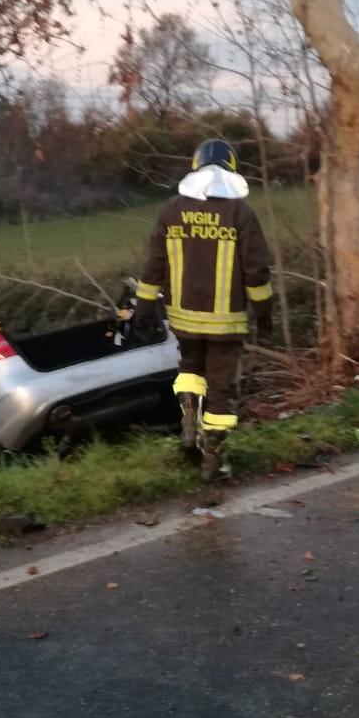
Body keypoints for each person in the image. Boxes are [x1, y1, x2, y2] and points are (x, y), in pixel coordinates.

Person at [132, 139, 274, 482]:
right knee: (221, 387)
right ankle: (214, 459)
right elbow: (256, 271)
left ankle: (188, 419)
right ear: (231, 169)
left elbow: (153, 266)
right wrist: (265, 312)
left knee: (190, 368)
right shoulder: (240, 213)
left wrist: (144, 310)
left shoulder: (171, 211)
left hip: (183, 317)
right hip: (226, 322)